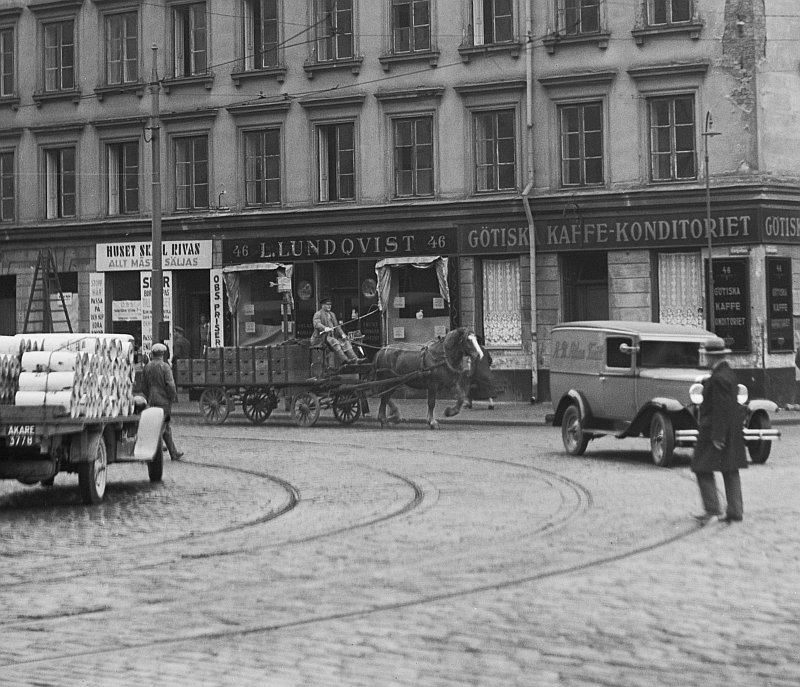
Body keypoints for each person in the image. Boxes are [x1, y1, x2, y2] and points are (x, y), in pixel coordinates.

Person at [691, 338, 746, 524]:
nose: (705, 358)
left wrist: (718, 436)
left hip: (714, 430)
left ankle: (712, 510)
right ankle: (735, 510)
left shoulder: (718, 378)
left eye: (706, 355)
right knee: (730, 469)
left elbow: (721, 408)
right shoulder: (728, 374)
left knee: (701, 467)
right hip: (731, 429)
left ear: (711, 357)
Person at [141, 343, 184, 461]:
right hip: (163, 402)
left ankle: (173, 453)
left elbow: (143, 386)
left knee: (165, 427)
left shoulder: (147, 367)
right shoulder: (165, 367)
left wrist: (149, 395)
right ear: (162, 354)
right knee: (162, 426)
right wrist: (171, 397)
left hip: (152, 401)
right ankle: (151, 453)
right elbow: (171, 385)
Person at [311, 295, 361, 365]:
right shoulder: (318, 314)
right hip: (321, 338)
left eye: (330, 304)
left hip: (332, 337)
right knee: (335, 342)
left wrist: (343, 334)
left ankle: (355, 359)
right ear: (322, 305)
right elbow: (317, 324)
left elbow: (337, 327)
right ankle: (345, 360)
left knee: (345, 342)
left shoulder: (332, 314)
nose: (329, 306)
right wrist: (325, 328)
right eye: (327, 304)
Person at [465, 334, 499, 410]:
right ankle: (491, 403)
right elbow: (490, 360)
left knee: (471, 386)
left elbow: (473, 364)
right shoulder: (485, 350)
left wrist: (470, 374)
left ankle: (469, 403)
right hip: (486, 373)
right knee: (488, 389)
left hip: (477, 373)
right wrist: (486, 367)